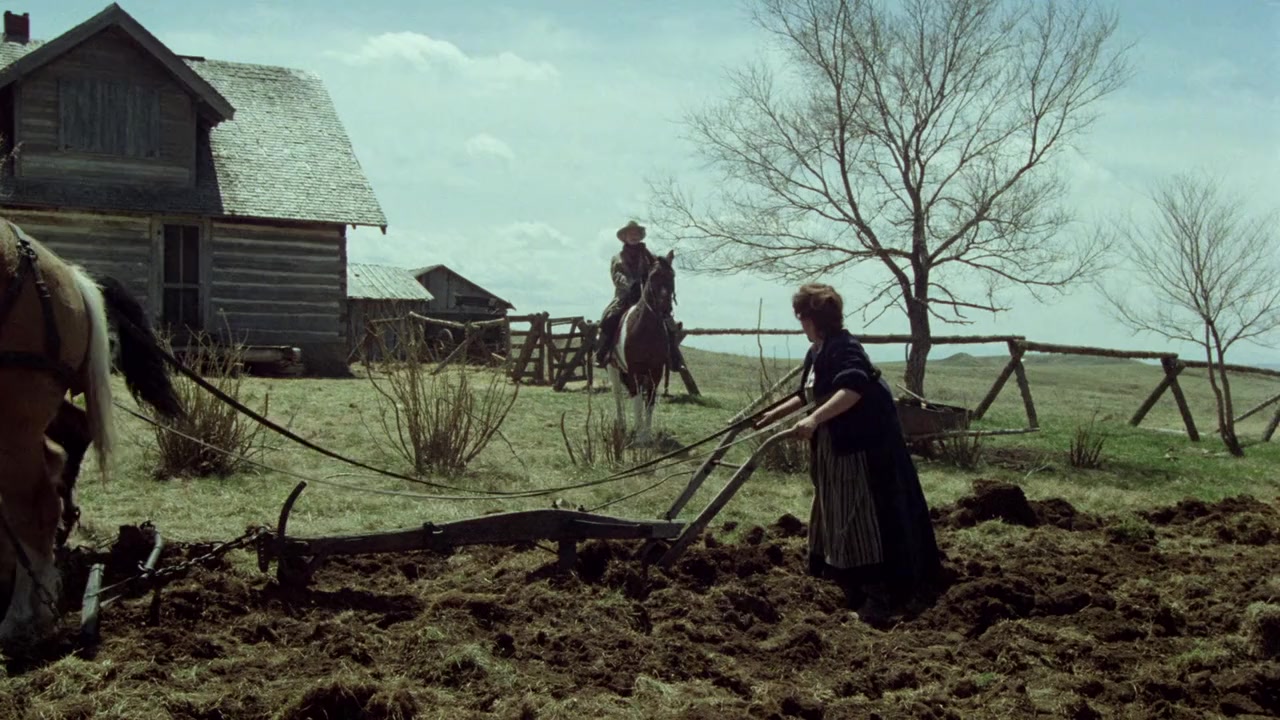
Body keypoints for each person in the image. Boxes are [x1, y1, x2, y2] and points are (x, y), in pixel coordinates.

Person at [755, 283, 943, 625]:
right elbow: (807, 393)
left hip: (861, 446)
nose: (801, 324)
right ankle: (838, 578)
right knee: (832, 507)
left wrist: (813, 420)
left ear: (815, 319)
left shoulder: (845, 347)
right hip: (834, 444)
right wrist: (772, 415)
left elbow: (853, 388)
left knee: (857, 513)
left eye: (803, 317)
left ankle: (877, 594)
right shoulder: (818, 350)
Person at [595, 220, 685, 371]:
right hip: (626, 297)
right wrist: (631, 284)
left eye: (636, 233)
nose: (634, 236)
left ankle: (674, 358)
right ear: (624, 237)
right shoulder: (618, 258)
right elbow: (617, 277)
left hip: (649, 297)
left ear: (640, 236)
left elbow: (658, 273)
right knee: (610, 318)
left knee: (668, 321)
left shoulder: (650, 257)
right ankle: (603, 353)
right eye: (630, 234)